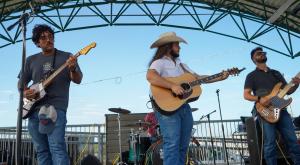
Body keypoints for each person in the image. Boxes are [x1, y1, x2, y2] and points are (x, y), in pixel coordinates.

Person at [146, 32, 229, 165]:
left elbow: (198, 78)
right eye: (177, 44)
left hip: (184, 106)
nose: (180, 47)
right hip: (167, 107)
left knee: (183, 145)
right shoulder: (159, 62)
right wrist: (172, 86)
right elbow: (150, 76)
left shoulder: (181, 65)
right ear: (168, 46)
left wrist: (220, 76)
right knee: (172, 144)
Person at [18, 24, 83, 165]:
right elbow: (20, 83)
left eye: (51, 36)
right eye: (43, 37)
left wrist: (72, 68)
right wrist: (25, 92)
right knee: (41, 150)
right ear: (37, 43)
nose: (49, 39)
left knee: (57, 148)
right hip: (34, 109)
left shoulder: (67, 57)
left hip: (55, 108)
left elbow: (78, 79)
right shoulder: (31, 60)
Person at [243, 47, 300, 165]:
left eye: (263, 52)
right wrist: (259, 98)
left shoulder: (276, 73)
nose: (262, 53)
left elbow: (288, 91)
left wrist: (296, 84)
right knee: (270, 144)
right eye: (259, 53)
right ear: (253, 58)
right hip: (265, 111)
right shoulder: (251, 76)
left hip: (282, 109)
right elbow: (246, 95)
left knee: (293, 141)